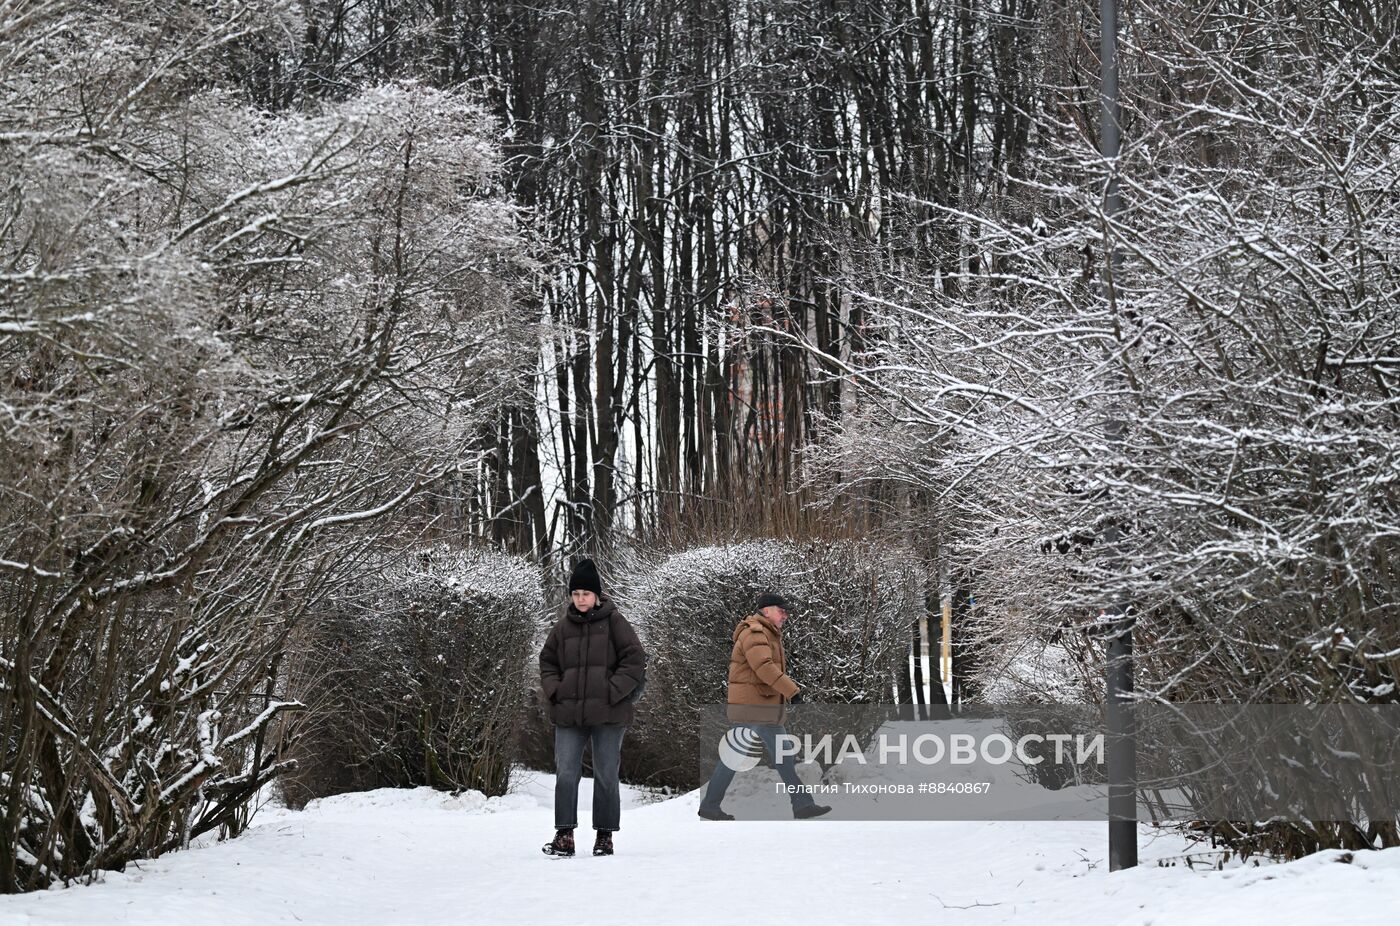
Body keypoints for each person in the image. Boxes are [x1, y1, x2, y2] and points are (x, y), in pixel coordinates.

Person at [539, 558, 647, 857]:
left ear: (597, 595)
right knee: (566, 773)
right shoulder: (562, 628)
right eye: (575, 594)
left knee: (606, 775)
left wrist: (613, 691)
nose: (580, 599)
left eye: (586, 594)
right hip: (569, 714)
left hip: (609, 714)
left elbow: (635, 660)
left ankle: (604, 836)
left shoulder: (615, 622)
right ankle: (564, 835)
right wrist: (555, 690)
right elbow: (547, 662)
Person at [697, 592, 832, 821]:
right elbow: (764, 667)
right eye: (782, 611)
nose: (785, 616)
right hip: (753, 707)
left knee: (783, 756)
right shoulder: (755, 632)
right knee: (735, 756)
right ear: (766, 610)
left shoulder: (767, 633)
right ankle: (710, 806)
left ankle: (802, 805)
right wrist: (793, 692)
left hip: (763, 707)